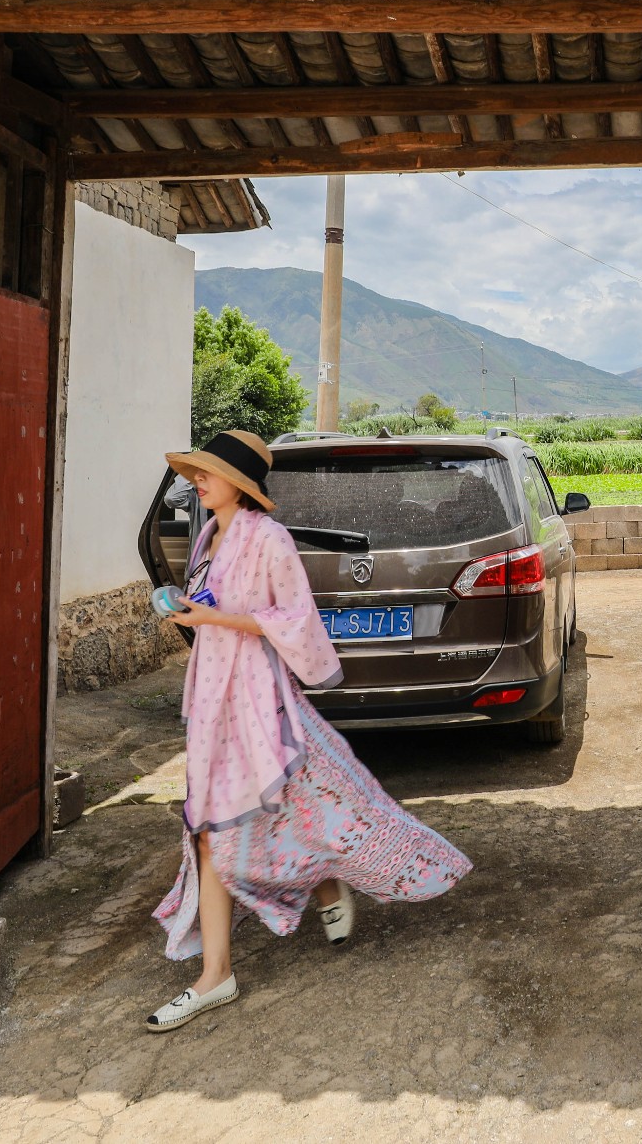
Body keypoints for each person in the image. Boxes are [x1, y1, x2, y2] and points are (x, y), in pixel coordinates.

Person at [144, 430, 471, 1032]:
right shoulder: (211, 534)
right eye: (197, 473)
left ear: (239, 483)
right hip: (215, 694)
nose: (198, 481)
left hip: (255, 697)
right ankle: (231, 961)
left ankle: (246, 947)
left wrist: (213, 615)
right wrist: (185, 604)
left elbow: (293, 617)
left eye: (207, 473)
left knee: (268, 816)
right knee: (217, 827)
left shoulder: (268, 537)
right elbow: (210, 601)